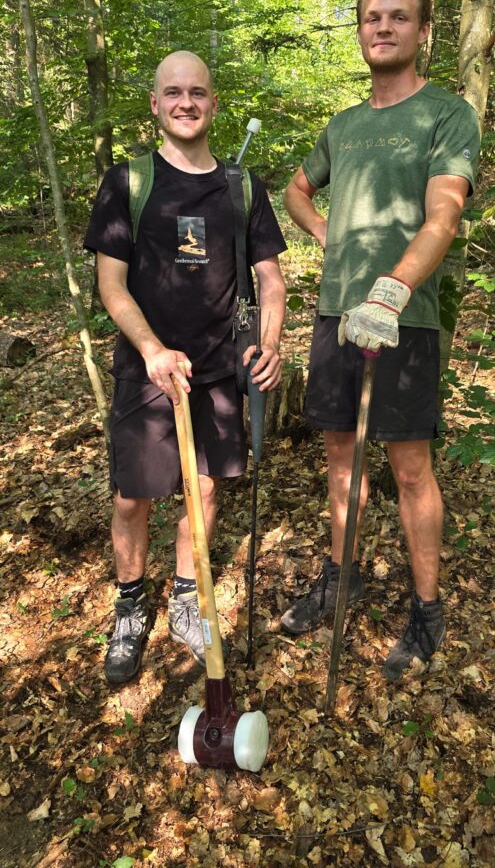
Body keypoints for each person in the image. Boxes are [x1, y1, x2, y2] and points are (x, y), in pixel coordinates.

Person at [281, 0, 480, 681]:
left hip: (405, 320)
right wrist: (330, 238)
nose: (383, 27)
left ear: (422, 31)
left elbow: (443, 215)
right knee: (339, 454)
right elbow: (297, 190)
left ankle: (425, 610)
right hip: (336, 314)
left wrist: (390, 290)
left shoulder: (445, 114)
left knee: (409, 465)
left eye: (398, 17)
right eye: (372, 17)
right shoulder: (343, 125)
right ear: (360, 29)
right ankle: (342, 576)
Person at [84, 50, 287, 686]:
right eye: (173, 92)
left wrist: (271, 343)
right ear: (155, 104)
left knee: (202, 490)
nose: (186, 102)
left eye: (198, 92)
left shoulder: (241, 187)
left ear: (213, 103)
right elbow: (112, 287)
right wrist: (150, 349)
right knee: (132, 498)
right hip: (148, 371)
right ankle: (129, 604)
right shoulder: (129, 183)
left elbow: (271, 277)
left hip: (221, 372)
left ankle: (183, 599)